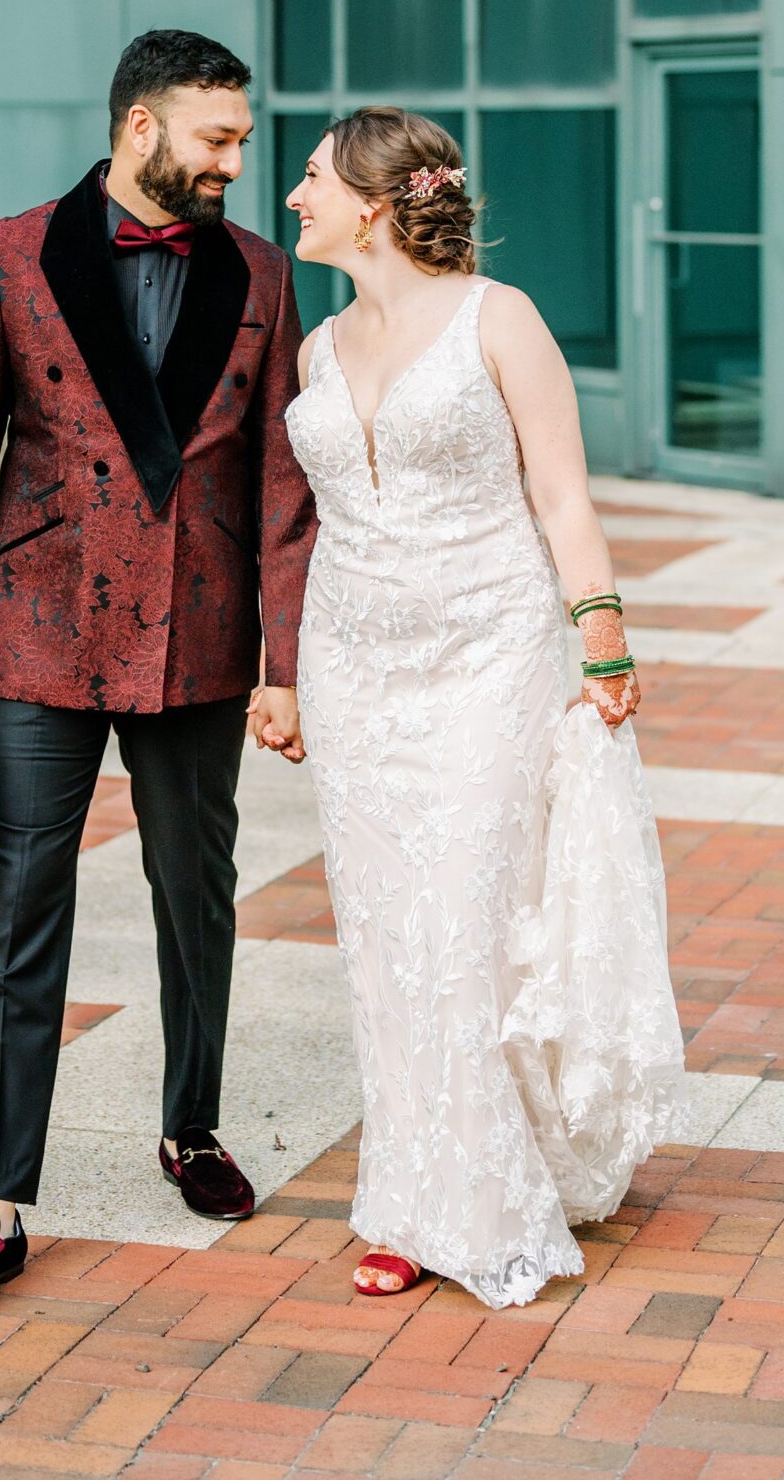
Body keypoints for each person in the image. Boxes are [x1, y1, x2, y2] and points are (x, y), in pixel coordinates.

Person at [0, 29, 316, 1297]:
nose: (239, 159)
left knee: (197, 890)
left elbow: (282, 486)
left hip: (201, 633)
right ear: (140, 129)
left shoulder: (267, 275)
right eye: (218, 137)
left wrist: (286, 659)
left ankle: (189, 1124)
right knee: (16, 904)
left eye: (241, 136)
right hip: (38, 626)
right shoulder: (8, 254)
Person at [258, 105, 686, 1310]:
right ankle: (408, 1192)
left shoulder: (502, 321)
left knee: (461, 925)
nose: (293, 197)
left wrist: (598, 636)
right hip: (353, 666)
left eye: (310, 179)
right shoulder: (317, 349)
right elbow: (311, 527)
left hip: (487, 655)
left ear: (379, 203)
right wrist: (282, 669)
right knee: (385, 940)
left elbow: (559, 492)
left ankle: (475, 1198)